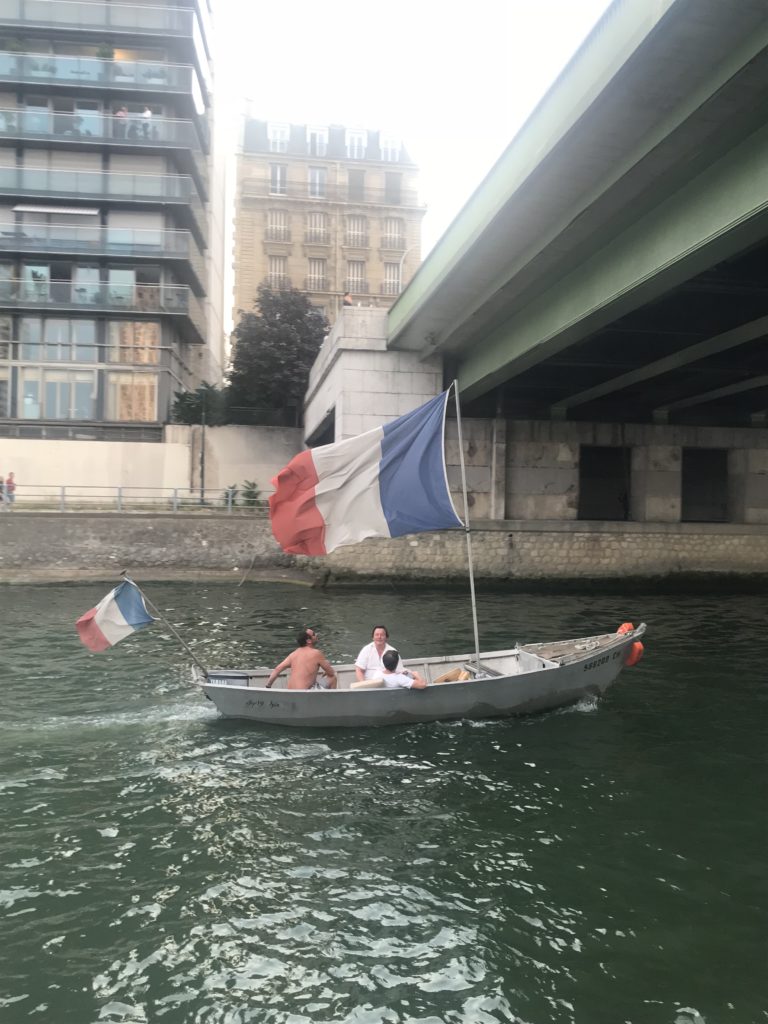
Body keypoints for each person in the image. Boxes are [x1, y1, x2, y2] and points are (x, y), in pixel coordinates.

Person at [266, 628, 337, 691]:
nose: (316, 635)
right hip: (305, 694)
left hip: (290, 693)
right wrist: (327, 669)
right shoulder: (316, 653)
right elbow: (331, 673)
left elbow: (277, 669)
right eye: (314, 634)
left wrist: (268, 686)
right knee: (333, 678)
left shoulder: (293, 654)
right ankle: (332, 704)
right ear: (309, 641)